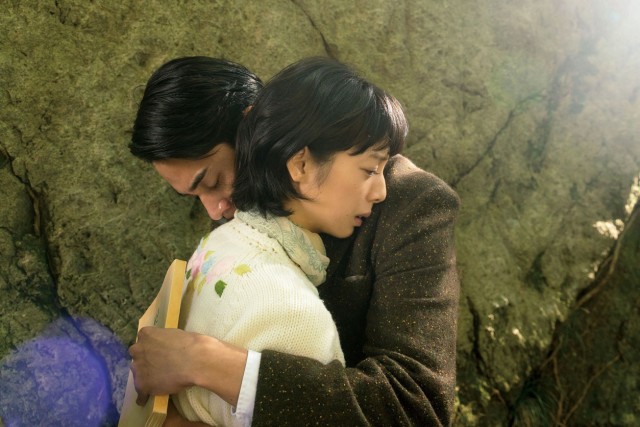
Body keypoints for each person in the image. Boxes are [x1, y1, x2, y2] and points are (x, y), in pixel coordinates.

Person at [128, 56, 460, 427]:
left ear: (255, 130)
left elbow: (417, 407)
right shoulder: (240, 222)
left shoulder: (410, 204)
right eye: (196, 196)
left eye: (214, 181)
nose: (216, 209)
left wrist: (206, 363)